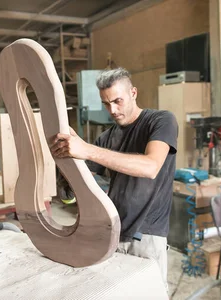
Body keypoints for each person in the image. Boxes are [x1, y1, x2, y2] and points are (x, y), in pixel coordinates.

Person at [50, 67, 178, 291]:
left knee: (149, 295)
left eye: (118, 101)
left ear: (133, 93)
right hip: (112, 234)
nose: (113, 109)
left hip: (146, 236)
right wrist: (67, 156)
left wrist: (87, 150)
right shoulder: (107, 137)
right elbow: (78, 183)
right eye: (106, 103)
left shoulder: (160, 121)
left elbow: (150, 166)